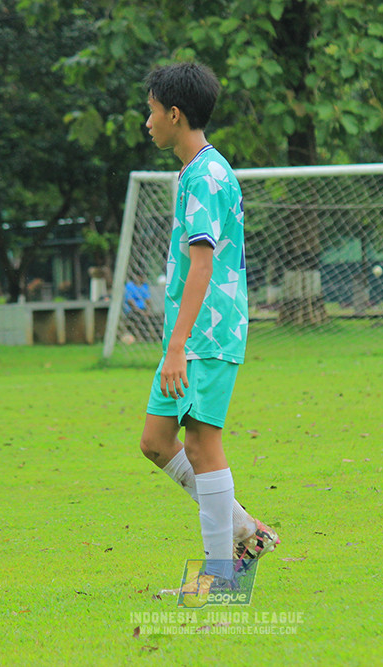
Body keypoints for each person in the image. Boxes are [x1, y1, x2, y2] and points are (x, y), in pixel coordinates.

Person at [136, 62, 278, 593]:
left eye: (152, 110)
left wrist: (177, 345)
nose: (147, 121)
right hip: (190, 335)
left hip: (208, 334)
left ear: (174, 114)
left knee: (201, 444)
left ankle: (220, 576)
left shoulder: (207, 176)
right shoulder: (194, 171)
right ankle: (245, 530)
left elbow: (202, 264)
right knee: (156, 441)